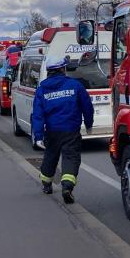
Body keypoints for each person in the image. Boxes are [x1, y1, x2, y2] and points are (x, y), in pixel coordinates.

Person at [32, 56, 94, 204]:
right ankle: (67, 187)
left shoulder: (42, 89)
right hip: (71, 130)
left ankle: (46, 184)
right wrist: (89, 124)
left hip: (52, 131)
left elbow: (38, 114)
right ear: (62, 69)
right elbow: (87, 106)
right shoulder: (75, 85)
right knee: (71, 157)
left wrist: (38, 135)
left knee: (50, 156)